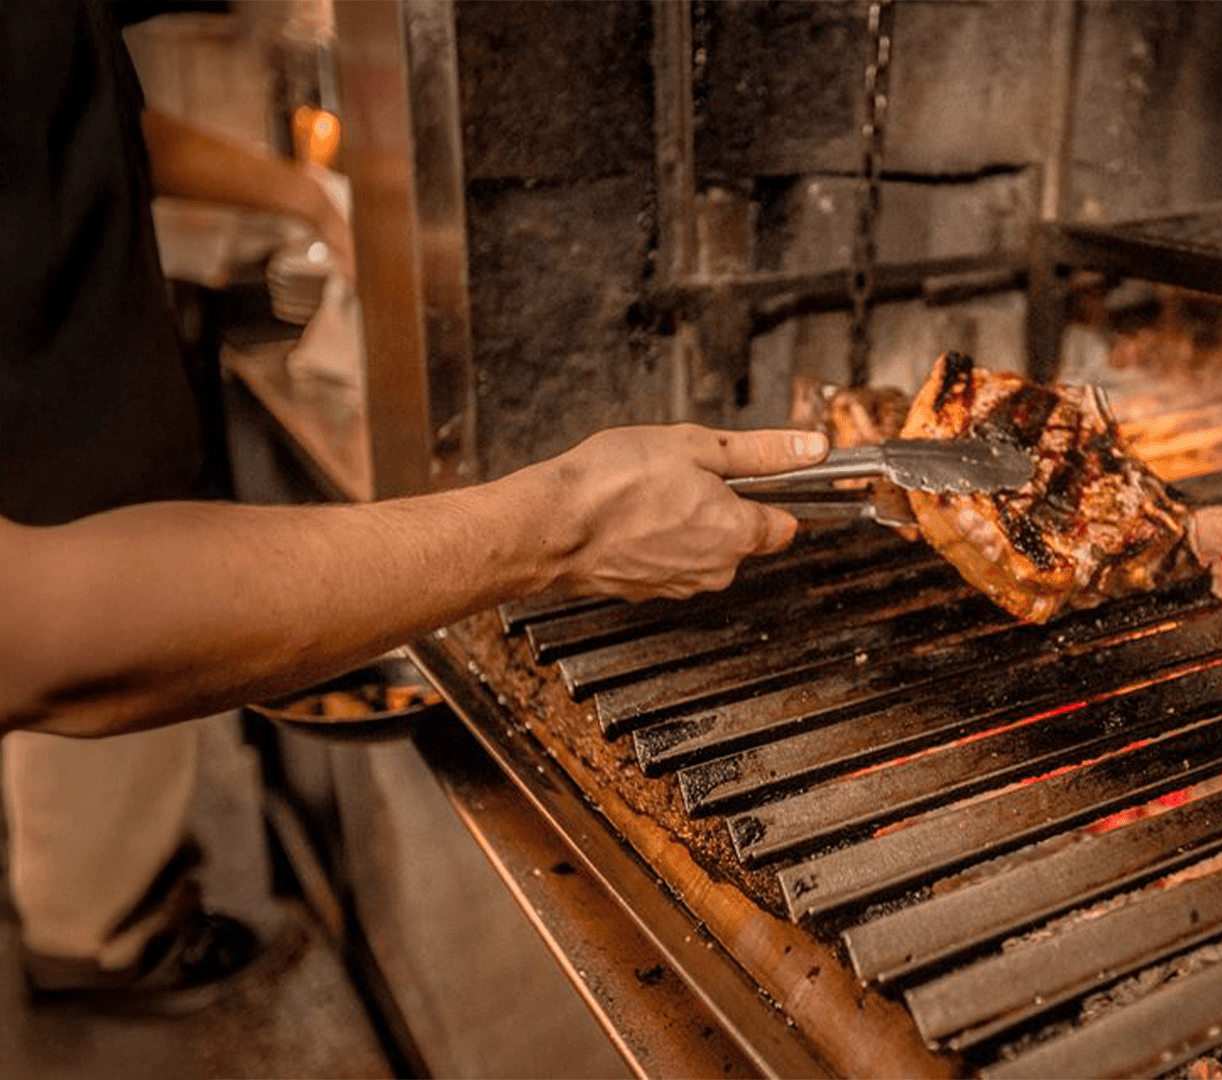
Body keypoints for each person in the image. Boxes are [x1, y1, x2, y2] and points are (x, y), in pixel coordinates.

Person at [1, 0, 825, 1003]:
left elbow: (85, 133)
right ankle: (98, 947)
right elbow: (29, 633)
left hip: (108, 492)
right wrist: (565, 520)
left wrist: (305, 197)